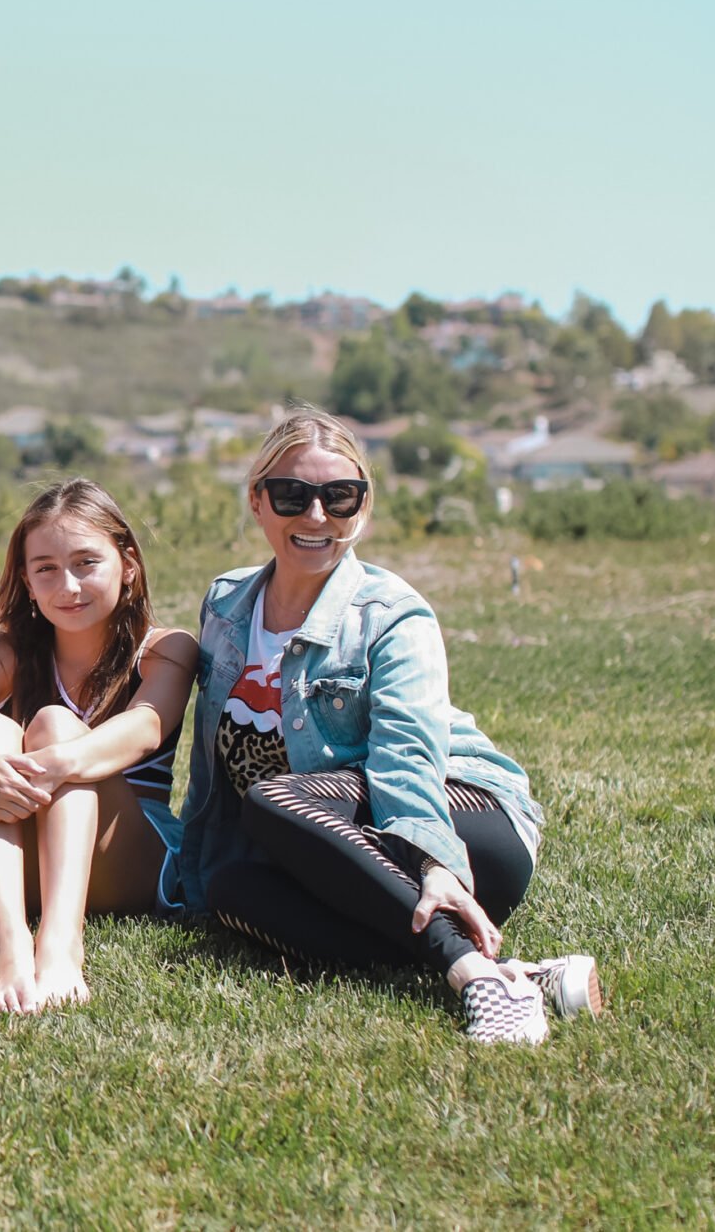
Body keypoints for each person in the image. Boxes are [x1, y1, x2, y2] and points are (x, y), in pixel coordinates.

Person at [177, 406, 604, 1044]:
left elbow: (408, 756)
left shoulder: (393, 615)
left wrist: (433, 860)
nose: (316, 516)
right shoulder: (225, 603)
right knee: (231, 888)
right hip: (337, 844)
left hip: (459, 818)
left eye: (338, 497)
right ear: (258, 501)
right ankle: (521, 975)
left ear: (363, 507)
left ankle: (471, 976)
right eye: (293, 494)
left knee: (275, 800)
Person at [0, 479, 196, 1014]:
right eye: (45, 568)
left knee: (53, 723)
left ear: (129, 565)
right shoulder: (2, 650)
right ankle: (7, 943)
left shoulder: (166, 648)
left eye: (86, 563)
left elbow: (145, 726)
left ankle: (60, 943)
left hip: (126, 859)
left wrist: (46, 766)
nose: (66, 585)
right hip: (16, 866)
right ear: (25, 580)